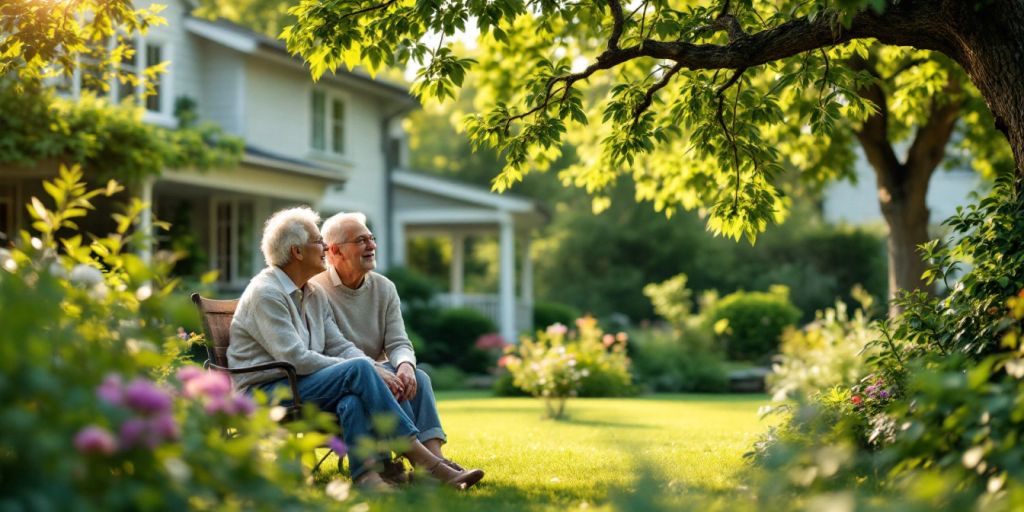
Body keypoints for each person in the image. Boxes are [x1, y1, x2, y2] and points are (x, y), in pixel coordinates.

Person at [228, 206, 483, 489]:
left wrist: (375, 368)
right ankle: (428, 465)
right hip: (266, 391)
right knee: (359, 369)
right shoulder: (266, 293)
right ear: (297, 252)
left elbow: (339, 344)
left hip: (299, 383)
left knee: (356, 393)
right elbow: (294, 358)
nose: (324, 247)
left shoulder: (311, 293)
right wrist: (367, 368)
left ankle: (367, 476)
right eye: (318, 242)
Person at [312, 212, 477, 476]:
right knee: (383, 380)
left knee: (418, 378)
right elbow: (333, 347)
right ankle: (428, 469)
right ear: (335, 251)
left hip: (377, 373)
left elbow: (399, 341)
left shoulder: (384, 288)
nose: (372, 246)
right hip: (340, 379)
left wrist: (405, 365)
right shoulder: (316, 290)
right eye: (361, 240)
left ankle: (435, 462)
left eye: (372, 238)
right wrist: (377, 371)